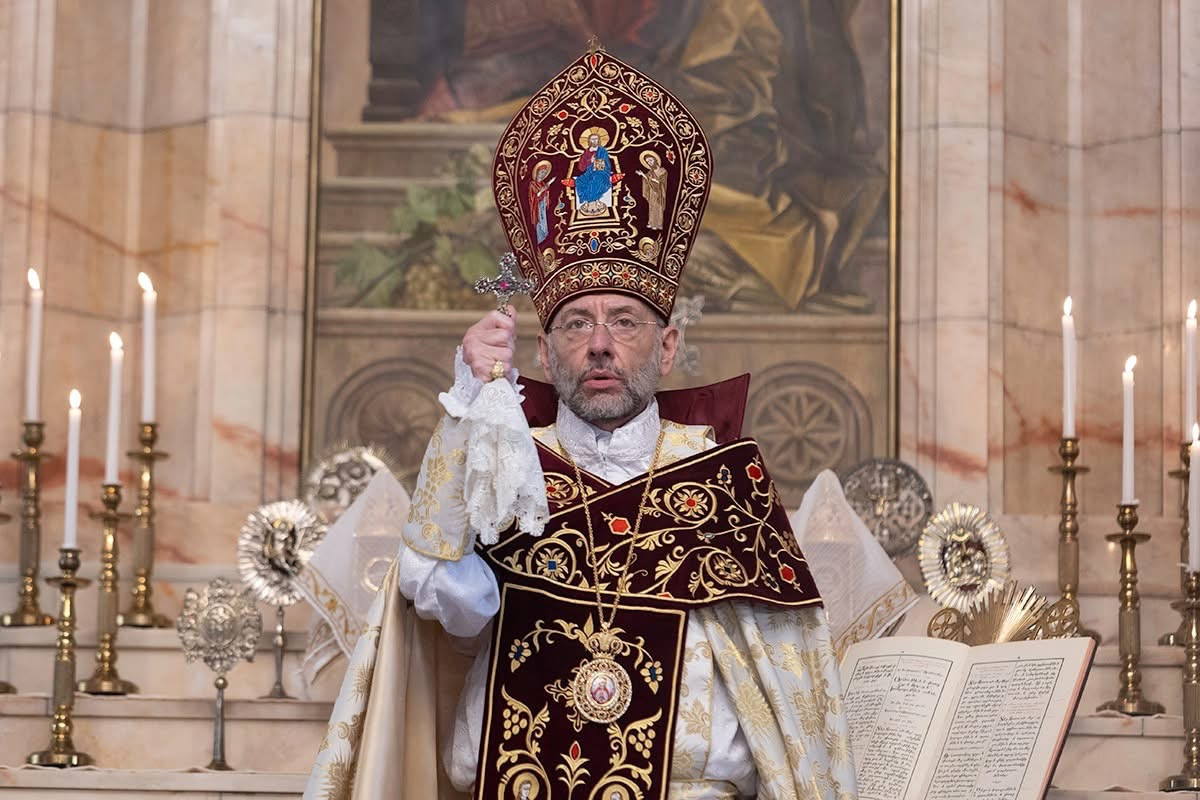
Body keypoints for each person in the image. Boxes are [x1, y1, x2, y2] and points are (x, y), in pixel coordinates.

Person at [307, 45, 858, 800]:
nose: (600, 342)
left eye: (625, 321)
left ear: (667, 347)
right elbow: (439, 596)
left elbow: (790, 706)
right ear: (544, 351)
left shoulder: (723, 481)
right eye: (576, 323)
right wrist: (469, 408)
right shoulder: (509, 467)